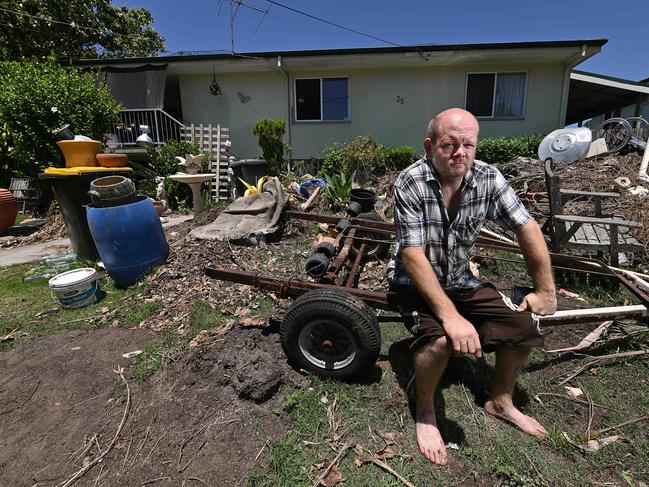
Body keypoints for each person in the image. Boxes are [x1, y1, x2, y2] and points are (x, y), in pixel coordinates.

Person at [390, 108, 557, 466]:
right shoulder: (411, 181)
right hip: (414, 281)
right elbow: (412, 256)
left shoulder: (488, 178)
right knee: (441, 342)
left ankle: (501, 401)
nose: (460, 153)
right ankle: (425, 410)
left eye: (468, 145)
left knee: (523, 326)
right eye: (450, 145)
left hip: (460, 278)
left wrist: (545, 290)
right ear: (430, 145)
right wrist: (450, 317)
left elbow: (526, 227)